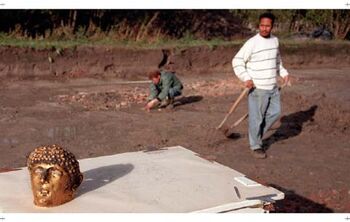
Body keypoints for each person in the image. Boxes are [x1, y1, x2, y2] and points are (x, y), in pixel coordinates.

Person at [232, 12, 290, 159]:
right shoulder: (252, 42)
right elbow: (237, 61)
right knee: (256, 118)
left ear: (272, 27)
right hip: (258, 88)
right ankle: (256, 145)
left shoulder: (275, 41)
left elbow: (277, 61)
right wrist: (246, 77)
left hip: (273, 86)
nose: (264, 28)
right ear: (259, 25)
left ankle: (255, 134)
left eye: (267, 26)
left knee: (275, 113)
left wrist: (283, 73)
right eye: (262, 25)